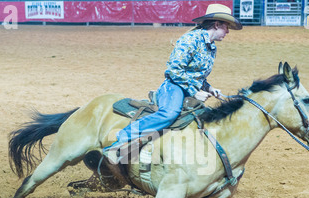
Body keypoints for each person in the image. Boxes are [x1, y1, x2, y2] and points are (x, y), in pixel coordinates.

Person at [103, 4, 242, 164]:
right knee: (169, 113)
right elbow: (174, 70)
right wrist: (194, 91)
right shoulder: (190, 40)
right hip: (173, 86)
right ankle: (122, 138)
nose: (228, 31)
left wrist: (209, 88)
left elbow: (197, 76)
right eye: (226, 27)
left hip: (189, 88)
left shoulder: (211, 47)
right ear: (217, 25)